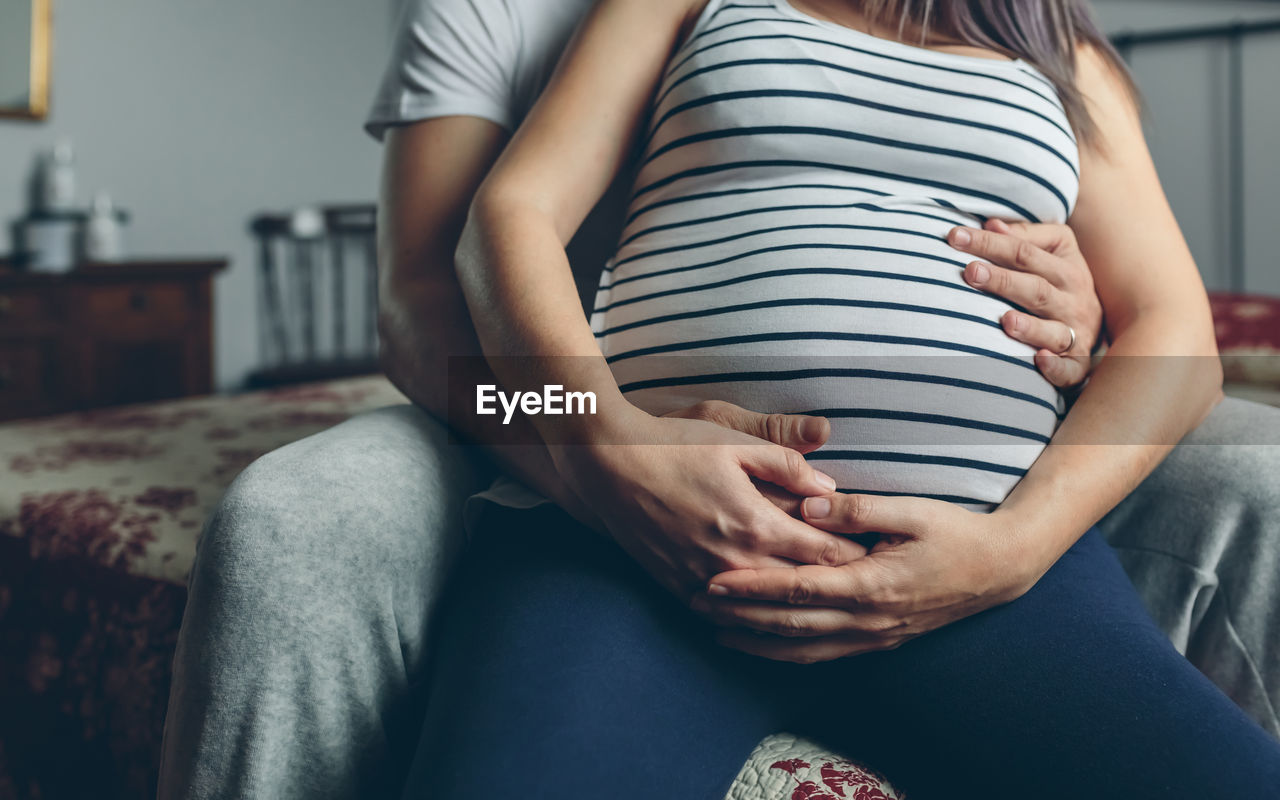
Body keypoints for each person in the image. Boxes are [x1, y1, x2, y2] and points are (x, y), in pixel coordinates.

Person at [154, 0, 1280, 797]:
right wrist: (599, 449)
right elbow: (457, 268)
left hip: (974, 558)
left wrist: (1015, 546)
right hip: (614, 525)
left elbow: (1174, 333)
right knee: (296, 524)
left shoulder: (1062, 50)